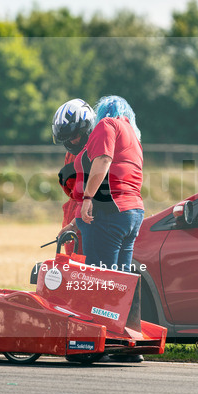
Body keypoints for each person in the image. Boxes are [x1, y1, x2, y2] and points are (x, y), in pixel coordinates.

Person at [71, 95, 144, 273]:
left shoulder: (107, 125)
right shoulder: (133, 136)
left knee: (100, 280)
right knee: (121, 281)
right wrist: (75, 222)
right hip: (132, 214)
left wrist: (87, 198)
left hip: (109, 213)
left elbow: (103, 160)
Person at [51, 99, 95, 256]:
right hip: (74, 218)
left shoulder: (97, 150)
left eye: (75, 135)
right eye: (67, 138)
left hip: (88, 221)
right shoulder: (71, 153)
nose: (72, 141)